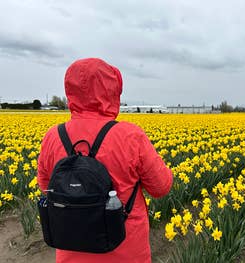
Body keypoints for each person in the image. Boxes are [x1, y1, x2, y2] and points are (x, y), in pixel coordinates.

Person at [37, 58, 173, 263]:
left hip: (71, 249)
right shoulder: (130, 135)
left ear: (70, 91)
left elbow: (46, 186)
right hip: (125, 251)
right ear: (112, 90)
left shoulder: (53, 136)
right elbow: (161, 187)